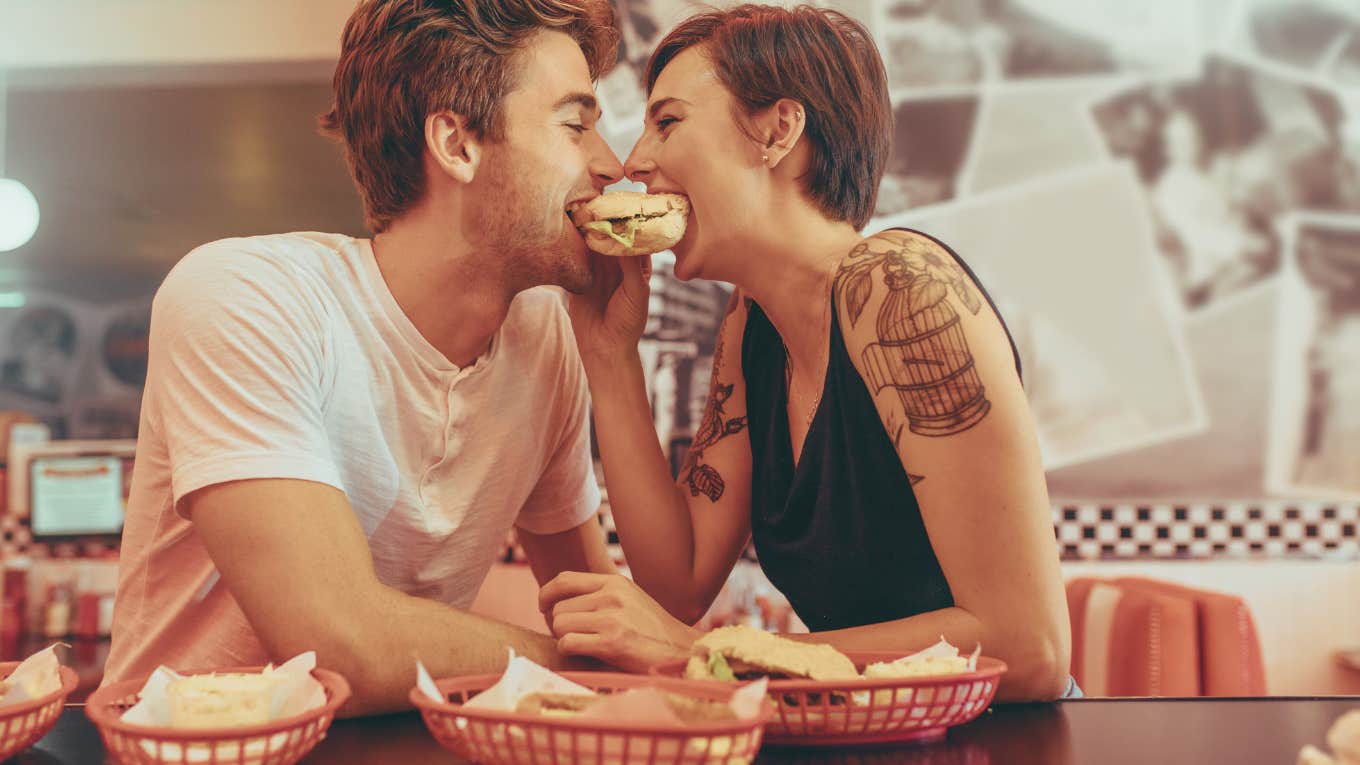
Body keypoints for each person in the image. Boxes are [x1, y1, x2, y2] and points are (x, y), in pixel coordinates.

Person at [104, 0, 625, 716]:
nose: (612, 165)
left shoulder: (544, 341)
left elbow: (600, 612)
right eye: (576, 124)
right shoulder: (245, 296)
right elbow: (338, 643)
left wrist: (630, 655)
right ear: (457, 143)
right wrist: (583, 667)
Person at [543, 4, 1072, 701]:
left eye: (667, 121)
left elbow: (1027, 646)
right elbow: (681, 582)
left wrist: (712, 652)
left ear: (778, 131)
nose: (636, 162)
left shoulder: (901, 286)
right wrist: (609, 359)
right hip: (867, 736)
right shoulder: (751, 322)